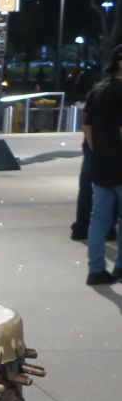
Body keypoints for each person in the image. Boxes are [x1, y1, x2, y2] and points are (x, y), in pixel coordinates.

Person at [83, 44, 122, 286]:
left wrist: (97, 149)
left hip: (100, 163)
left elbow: (86, 125)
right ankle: (120, 267)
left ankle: (96, 269)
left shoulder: (97, 89)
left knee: (99, 219)